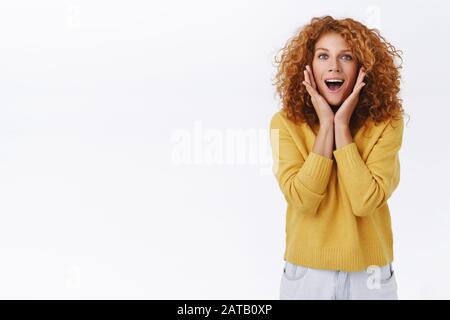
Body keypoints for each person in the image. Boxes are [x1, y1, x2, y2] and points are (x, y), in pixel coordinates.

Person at [269, 15, 408, 300]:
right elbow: (301, 199)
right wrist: (325, 127)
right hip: (307, 273)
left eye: (346, 56)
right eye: (323, 56)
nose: (334, 66)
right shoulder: (283, 124)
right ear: (308, 67)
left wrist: (341, 127)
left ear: (362, 68)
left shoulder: (387, 123)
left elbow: (365, 200)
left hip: (370, 276)